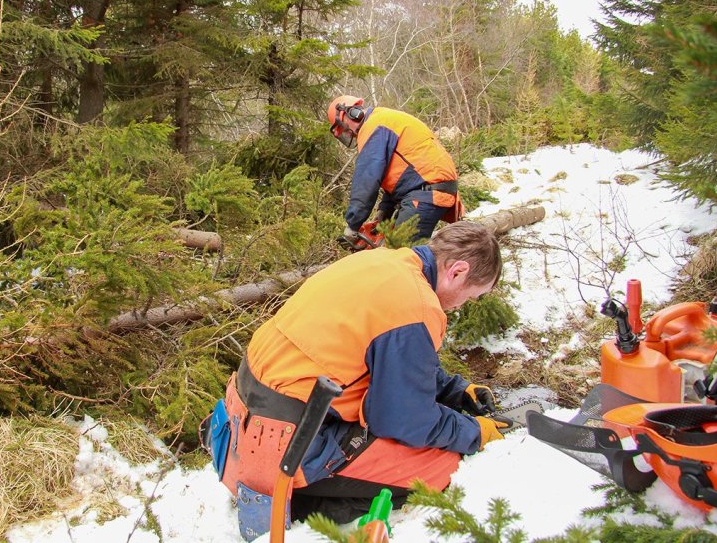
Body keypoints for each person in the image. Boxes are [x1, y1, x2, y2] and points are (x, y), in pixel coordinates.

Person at [203, 221, 506, 528]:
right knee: (442, 466)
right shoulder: (416, 305)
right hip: (287, 443)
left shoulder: (382, 262)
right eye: (469, 296)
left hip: (246, 413)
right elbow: (402, 419)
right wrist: (473, 433)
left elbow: (390, 354)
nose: (460, 306)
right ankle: (305, 508)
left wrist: (455, 390)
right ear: (458, 272)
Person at [327, 95, 463, 243]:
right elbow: (403, 174)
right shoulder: (383, 119)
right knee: (404, 253)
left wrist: (352, 225)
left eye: (343, 128)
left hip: (425, 193)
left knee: (399, 256)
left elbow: (366, 181)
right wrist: (384, 211)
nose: (349, 134)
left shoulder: (373, 127)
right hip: (431, 189)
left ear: (351, 113)